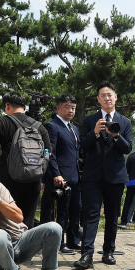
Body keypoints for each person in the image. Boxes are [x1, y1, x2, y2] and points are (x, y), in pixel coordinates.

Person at [75, 81, 133, 270]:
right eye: (103, 95)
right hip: (92, 176)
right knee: (91, 215)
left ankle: (108, 251)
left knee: (112, 215)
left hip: (115, 176)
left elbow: (127, 148)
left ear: (115, 97)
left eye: (110, 94)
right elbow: (82, 146)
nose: (107, 98)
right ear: (98, 99)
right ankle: (87, 254)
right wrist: (95, 133)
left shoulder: (125, 122)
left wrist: (116, 135)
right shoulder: (90, 120)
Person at [0, 92, 47, 230]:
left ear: (7, 106)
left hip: (8, 177)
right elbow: (48, 153)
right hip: (34, 179)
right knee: (28, 219)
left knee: (7, 217)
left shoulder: (2, 122)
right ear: (24, 106)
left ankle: (9, 248)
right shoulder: (39, 126)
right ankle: (27, 246)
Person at [43, 94, 82, 253]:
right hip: (59, 177)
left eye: (73, 107)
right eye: (67, 107)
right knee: (61, 211)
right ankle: (59, 243)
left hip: (75, 176)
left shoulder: (74, 128)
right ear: (58, 108)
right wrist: (56, 174)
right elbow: (49, 153)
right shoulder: (51, 126)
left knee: (75, 208)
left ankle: (73, 241)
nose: (71, 110)